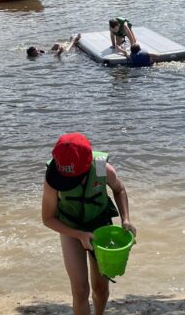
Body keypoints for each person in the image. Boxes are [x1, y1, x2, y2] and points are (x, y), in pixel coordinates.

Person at [42, 132, 136, 315]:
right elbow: (48, 218)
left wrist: (126, 219)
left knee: (100, 288)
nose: (67, 182)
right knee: (80, 291)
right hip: (71, 230)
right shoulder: (52, 178)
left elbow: (119, 189)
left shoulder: (102, 168)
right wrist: (79, 235)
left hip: (101, 227)